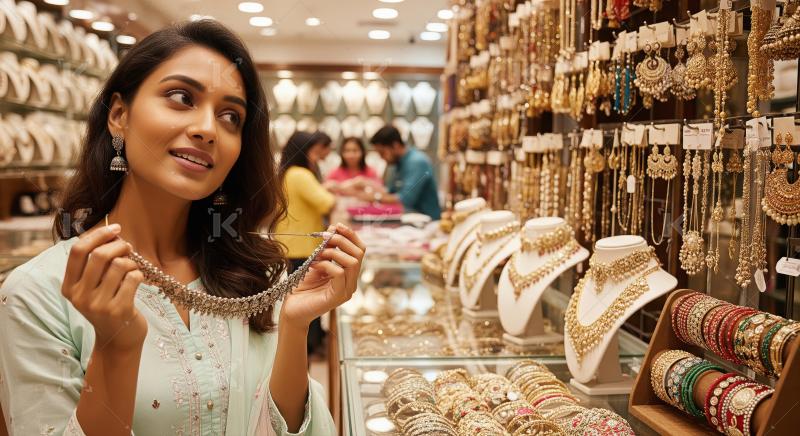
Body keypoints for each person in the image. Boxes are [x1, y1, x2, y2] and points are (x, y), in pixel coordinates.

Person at [0, 20, 363, 435]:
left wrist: (295, 326)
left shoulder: (251, 275)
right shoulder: (38, 293)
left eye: (231, 116)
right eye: (180, 97)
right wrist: (116, 350)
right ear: (119, 114)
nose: (208, 129)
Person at [276, 131, 337, 357]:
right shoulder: (300, 174)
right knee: (308, 299)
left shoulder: (288, 173)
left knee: (300, 297)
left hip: (291, 244)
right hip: (301, 247)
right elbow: (325, 203)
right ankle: (309, 346)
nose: (316, 156)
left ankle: (311, 343)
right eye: (312, 151)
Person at [363, 125, 441, 219]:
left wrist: (373, 197)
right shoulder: (397, 163)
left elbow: (404, 200)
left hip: (426, 224)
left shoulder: (417, 162)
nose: (381, 158)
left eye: (382, 153)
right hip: (409, 223)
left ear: (395, 145)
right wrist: (365, 185)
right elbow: (390, 191)